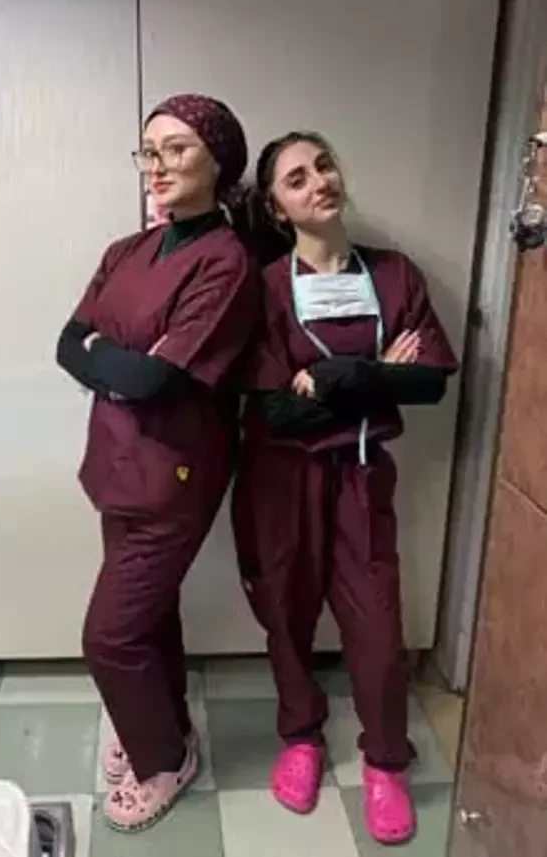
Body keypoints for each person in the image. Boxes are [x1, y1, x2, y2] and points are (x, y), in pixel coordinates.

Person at [231, 131, 459, 846]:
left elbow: (430, 382)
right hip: (279, 480)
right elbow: (276, 409)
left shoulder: (394, 274)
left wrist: (332, 377)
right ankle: (300, 735)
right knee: (285, 612)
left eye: (324, 165)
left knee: (379, 629)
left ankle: (386, 760)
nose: (319, 181)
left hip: (361, 476)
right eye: (296, 179)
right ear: (278, 208)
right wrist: (378, 372)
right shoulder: (265, 289)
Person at [56, 94, 259, 832]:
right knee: (147, 615)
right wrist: (119, 362)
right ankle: (162, 726)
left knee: (109, 635)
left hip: (175, 473)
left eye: (177, 148)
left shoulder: (227, 262)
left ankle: (164, 761)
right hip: (116, 462)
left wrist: (107, 360)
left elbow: (152, 380)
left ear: (219, 160)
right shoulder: (126, 251)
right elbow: (66, 343)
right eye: (149, 150)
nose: (159, 165)